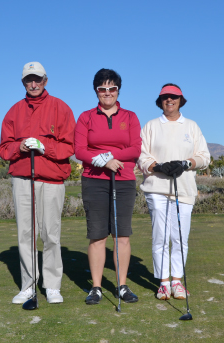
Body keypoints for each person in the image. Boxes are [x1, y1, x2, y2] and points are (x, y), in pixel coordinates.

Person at [0, 62, 76, 305]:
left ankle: (52, 285)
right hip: (22, 178)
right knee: (26, 234)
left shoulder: (61, 108)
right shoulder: (14, 111)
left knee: (50, 233)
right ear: (23, 82)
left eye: (37, 79)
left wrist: (45, 147)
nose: (33, 84)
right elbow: (3, 147)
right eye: (28, 80)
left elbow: (70, 146)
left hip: (51, 179)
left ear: (46, 80)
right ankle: (28, 285)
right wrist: (18, 147)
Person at [74, 68, 142, 305]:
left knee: (122, 235)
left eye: (112, 88)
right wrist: (103, 160)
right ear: (96, 91)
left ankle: (122, 285)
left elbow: (135, 148)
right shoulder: (86, 117)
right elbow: (80, 150)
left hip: (123, 180)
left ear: (118, 90)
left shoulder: (130, 117)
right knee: (97, 236)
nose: (107, 93)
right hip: (94, 180)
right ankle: (96, 287)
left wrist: (113, 157)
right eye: (102, 89)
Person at [137, 83, 210, 300]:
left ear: (181, 100)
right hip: (157, 188)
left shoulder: (191, 126)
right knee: (160, 236)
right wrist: (157, 166)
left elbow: (205, 157)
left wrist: (186, 163)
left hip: (184, 189)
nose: (170, 100)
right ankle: (163, 282)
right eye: (165, 97)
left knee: (179, 237)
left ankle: (177, 281)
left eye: (174, 97)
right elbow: (141, 155)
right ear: (160, 101)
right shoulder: (151, 126)